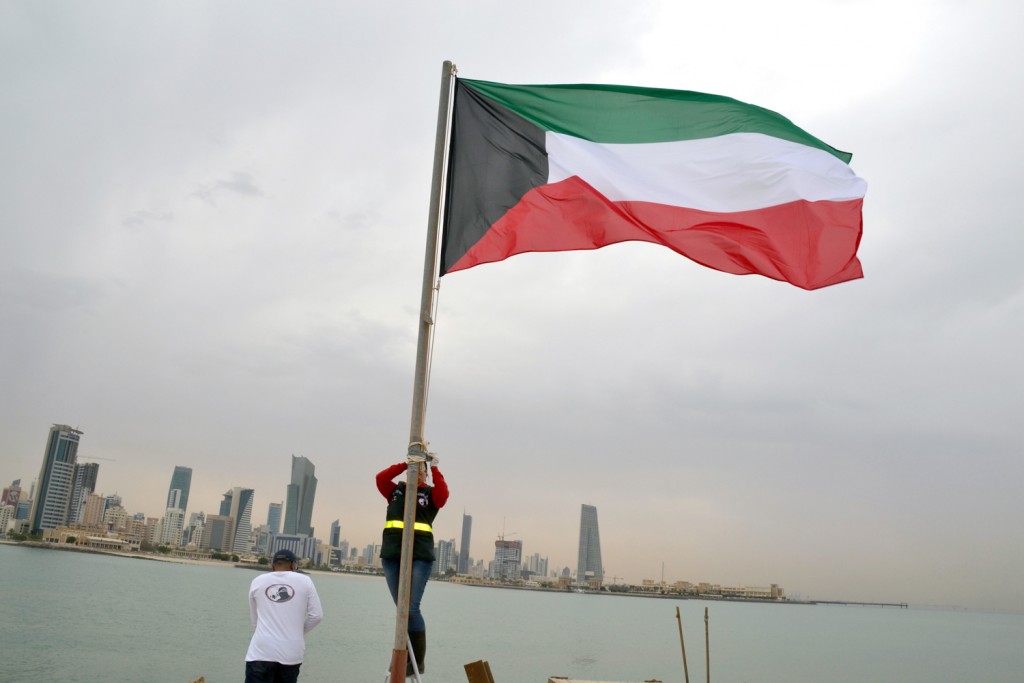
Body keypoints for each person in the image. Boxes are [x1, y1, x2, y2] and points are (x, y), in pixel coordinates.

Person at [377, 456, 448, 675]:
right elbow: (381, 478)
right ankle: (402, 657)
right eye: (412, 470)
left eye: (420, 470)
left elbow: (443, 495)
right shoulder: (396, 491)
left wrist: (435, 467)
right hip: (392, 554)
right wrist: (404, 464)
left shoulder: (430, 494)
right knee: (401, 609)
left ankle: (417, 661)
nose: (415, 473)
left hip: (419, 556)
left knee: (411, 609)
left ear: (425, 475)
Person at [245, 548, 324, 683]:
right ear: (293, 565)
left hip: (261, 652)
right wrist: (297, 631)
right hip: (291, 652)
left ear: (273, 566)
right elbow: (317, 616)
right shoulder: (305, 581)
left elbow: (255, 621)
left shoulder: (257, 581)